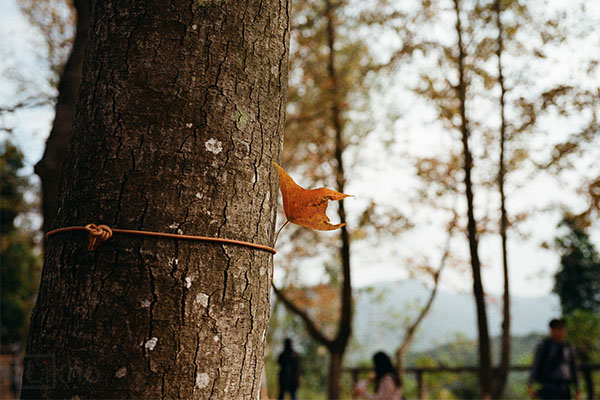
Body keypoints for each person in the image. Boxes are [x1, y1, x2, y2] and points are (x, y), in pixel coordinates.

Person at [528, 318, 581, 400]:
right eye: (558, 329)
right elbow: (536, 365)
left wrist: (577, 388)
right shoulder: (545, 346)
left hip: (564, 388)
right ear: (552, 331)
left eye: (563, 329)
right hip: (549, 387)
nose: (561, 332)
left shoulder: (568, 347)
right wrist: (530, 384)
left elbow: (574, 368)